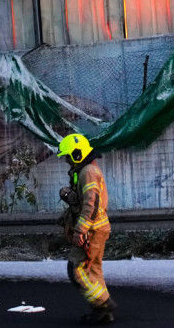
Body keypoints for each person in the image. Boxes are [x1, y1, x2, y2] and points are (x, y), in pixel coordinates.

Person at [57, 133, 116, 324]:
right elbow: (85, 199)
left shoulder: (88, 172)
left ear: (77, 154)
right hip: (96, 228)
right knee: (92, 270)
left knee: (76, 269)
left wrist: (80, 231)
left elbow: (91, 204)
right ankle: (102, 312)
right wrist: (70, 195)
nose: (66, 161)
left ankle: (103, 303)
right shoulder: (84, 171)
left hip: (91, 230)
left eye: (68, 156)